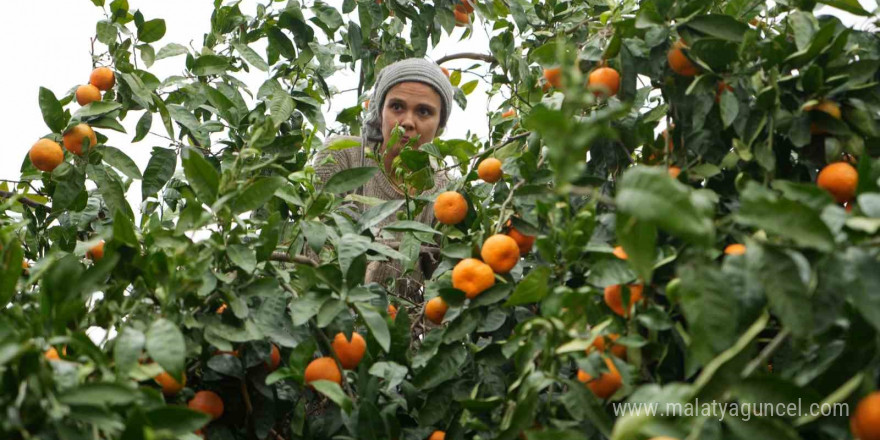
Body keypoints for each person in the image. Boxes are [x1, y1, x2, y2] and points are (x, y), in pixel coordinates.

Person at [314, 58, 456, 300]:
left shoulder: (445, 192)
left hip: (397, 328)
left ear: (440, 125)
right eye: (397, 107)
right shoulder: (343, 157)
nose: (408, 122)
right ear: (380, 112)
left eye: (424, 111)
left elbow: (441, 289)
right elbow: (316, 251)